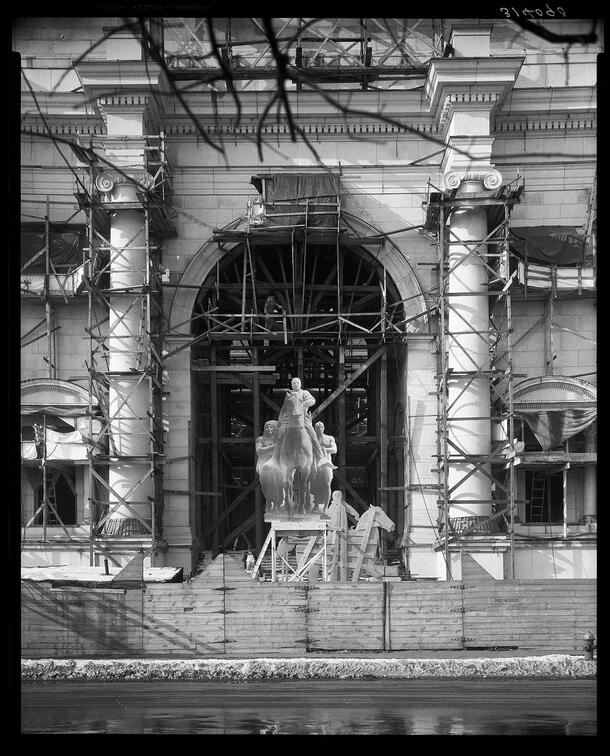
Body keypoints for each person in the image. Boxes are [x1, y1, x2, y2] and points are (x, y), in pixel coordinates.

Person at [269, 377, 324, 470]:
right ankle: (274, 459)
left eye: (297, 383)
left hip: (303, 418)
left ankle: (320, 458)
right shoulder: (288, 395)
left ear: (300, 384)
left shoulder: (304, 393)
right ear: (291, 385)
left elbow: (312, 400)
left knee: (313, 434)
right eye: (294, 383)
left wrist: (300, 404)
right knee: (280, 435)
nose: (295, 384)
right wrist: (279, 421)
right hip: (289, 418)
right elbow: (284, 408)